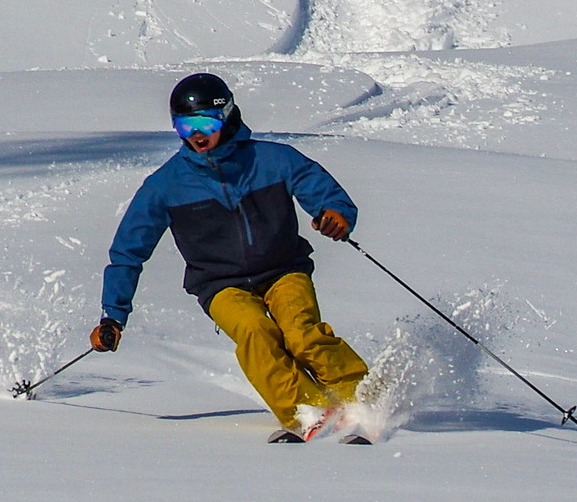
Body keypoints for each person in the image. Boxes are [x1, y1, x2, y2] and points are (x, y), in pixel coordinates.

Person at [90, 72, 369, 441]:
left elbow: (321, 190)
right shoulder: (165, 186)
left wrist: (335, 215)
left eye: (206, 122)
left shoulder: (271, 159)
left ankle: (359, 397)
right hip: (220, 284)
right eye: (185, 125)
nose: (197, 134)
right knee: (255, 332)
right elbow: (128, 252)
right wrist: (113, 316)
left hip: (284, 269)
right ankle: (306, 409)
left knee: (301, 334)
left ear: (228, 115)